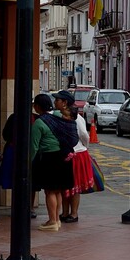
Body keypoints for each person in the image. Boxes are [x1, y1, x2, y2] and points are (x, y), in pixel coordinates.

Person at [30, 93, 76, 231]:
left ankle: (52, 221)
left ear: (37, 106)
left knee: (50, 191)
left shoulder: (39, 122)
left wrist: (28, 162)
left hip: (49, 158)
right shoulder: (58, 116)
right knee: (57, 191)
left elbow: (34, 146)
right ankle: (57, 219)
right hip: (63, 157)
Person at [53, 89, 90, 223]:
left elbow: (84, 136)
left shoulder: (77, 119)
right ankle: (65, 212)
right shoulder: (57, 116)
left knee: (74, 186)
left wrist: (84, 147)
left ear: (65, 103)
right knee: (65, 185)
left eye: (57, 100)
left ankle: (73, 213)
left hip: (77, 154)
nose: (55, 102)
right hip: (65, 154)